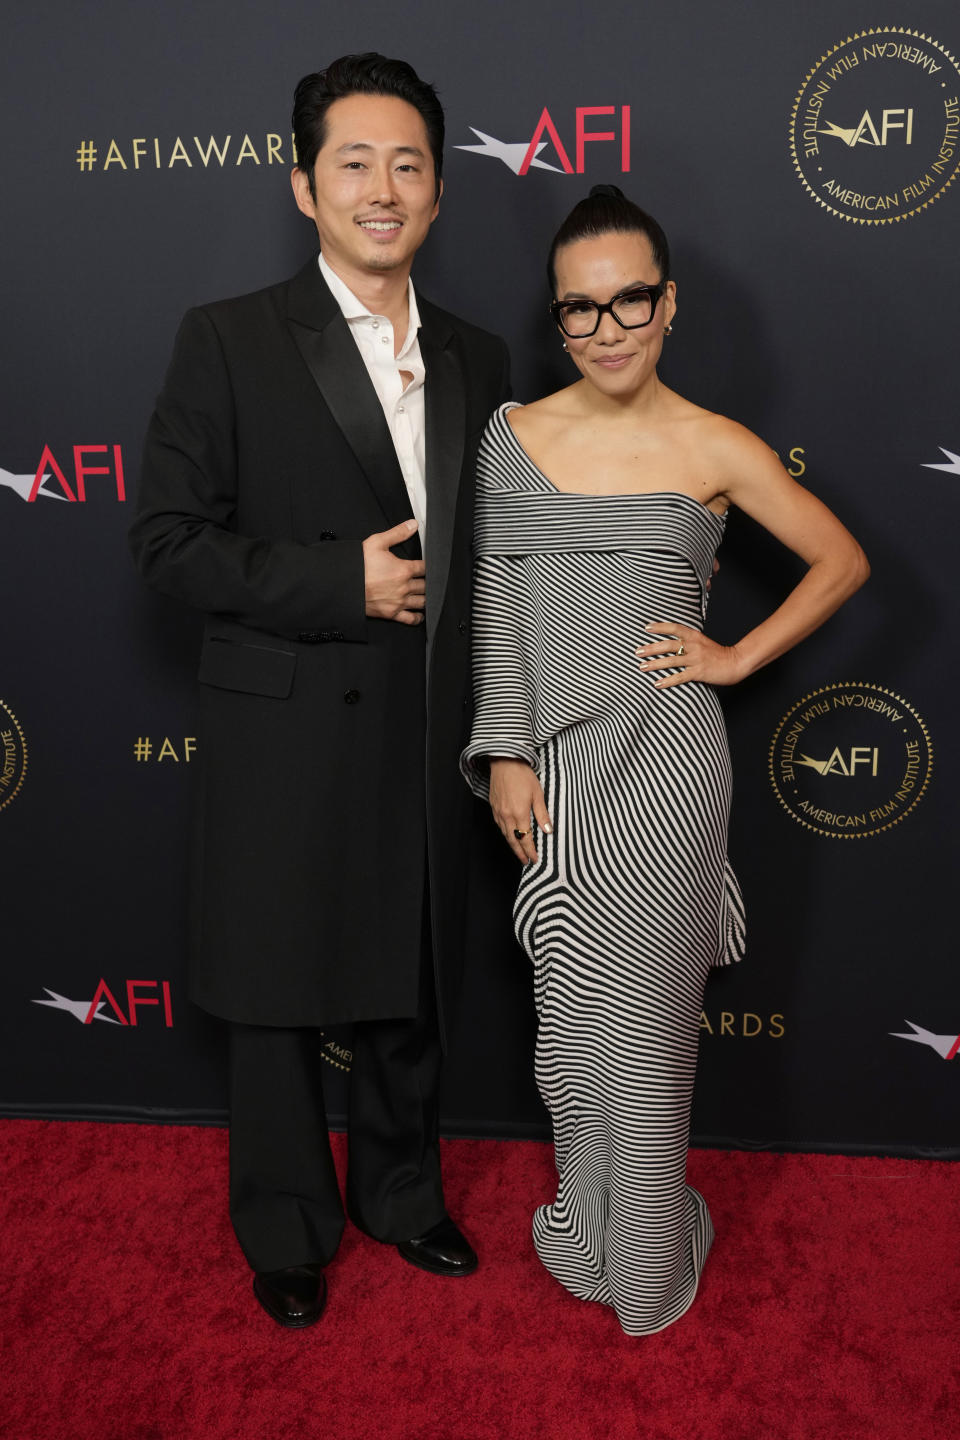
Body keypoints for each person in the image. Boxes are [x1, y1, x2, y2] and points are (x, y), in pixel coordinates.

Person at [129, 53, 509, 1329]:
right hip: (286, 719)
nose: (382, 188)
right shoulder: (227, 337)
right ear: (304, 186)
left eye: (408, 164)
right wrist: (336, 584)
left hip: (425, 722)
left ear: (440, 192)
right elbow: (166, 542)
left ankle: (402, 1196)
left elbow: (500, 556)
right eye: (354, 162)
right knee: (281, 981)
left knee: (411, 973)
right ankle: (285, 1222)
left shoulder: (477, 354)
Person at [461, 185, 868, 1336]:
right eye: (578, 310)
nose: (605, 329)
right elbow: (496, 607)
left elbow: (840, 562)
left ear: (669, 303)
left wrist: (736, 656)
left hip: (667, 775)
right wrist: (502, 754)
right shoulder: (515, 435)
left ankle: (645, 1273)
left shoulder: (717, 445)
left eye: (628, 300)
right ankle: (598, 1222)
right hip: (553, 777)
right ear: (557, 318)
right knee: (570, 1030)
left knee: (643, 1033)